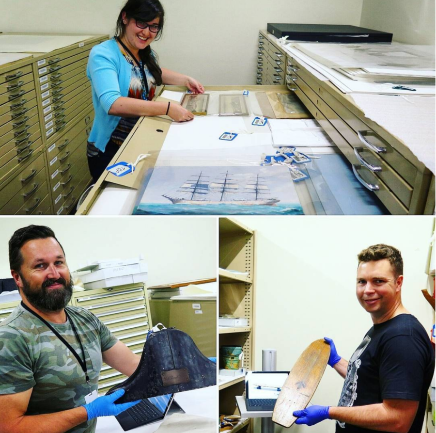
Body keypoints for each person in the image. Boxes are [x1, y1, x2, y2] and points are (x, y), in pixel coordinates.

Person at [0, 225, 142, 433]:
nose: (54, 273)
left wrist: (188, 365)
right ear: (17, 277)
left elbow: (135, 366)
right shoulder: (13, 338)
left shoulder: (85, 318)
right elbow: (10, 427)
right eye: (40, 266)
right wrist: (88, 412)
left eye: (59, 263)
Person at [294, 244, 435, 433]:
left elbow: (397, 419)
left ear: (398, 283)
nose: (367, 290)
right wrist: (336, 361)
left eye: (378, 281)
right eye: (362, 281)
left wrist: (329, 412)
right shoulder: (384, 327)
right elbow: (368, 379)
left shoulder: (402, 338)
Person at [86, 0, 204, 182]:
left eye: (153, 27)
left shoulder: (145, 53)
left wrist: (185, 79)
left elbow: (152, 72)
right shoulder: (103, 54)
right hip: (112, 149)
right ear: (125, 18)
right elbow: (112, 103)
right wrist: (166, 109)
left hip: (141, 140)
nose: (146, 32)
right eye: (141, 23)